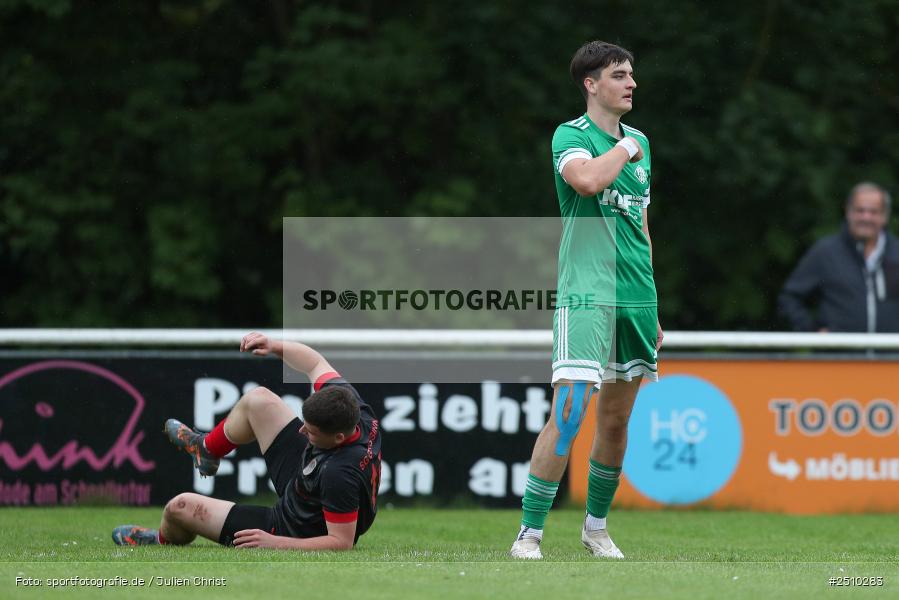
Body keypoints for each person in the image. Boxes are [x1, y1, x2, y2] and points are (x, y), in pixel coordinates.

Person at [510, 41, 662, 560]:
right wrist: (624, 150)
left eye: (632, 74)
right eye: (620, 75)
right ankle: (529, 534)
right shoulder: (572, 136)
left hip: (635, 297)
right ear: (591, 84)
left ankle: (595, 528)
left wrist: (654, 307)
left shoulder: (639, 141)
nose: (631, 83)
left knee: (616, 421)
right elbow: (589, 181)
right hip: (586, 293)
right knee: (572, 413)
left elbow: (640, 224)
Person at [112, 332, 382, 551]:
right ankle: (207, 449)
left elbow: (341, 542)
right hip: (308, 481)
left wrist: (275, 542)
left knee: (178, 507)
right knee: (259, 399)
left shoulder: (339, 473)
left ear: (338, 437)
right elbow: (314, 363)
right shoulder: (350, 406)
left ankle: (160, 540)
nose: (301, 432)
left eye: (310, 432)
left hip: (295, 527)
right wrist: (275, 345)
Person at [779, 182, 899, 332]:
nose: (866, 217)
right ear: (848, 212)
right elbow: (790, 297)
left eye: (873, 212)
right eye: (860, 210)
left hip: (891, 354)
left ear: (884, 216)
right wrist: (811, 331)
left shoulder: (896, 252)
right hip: (838, 354)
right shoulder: (826, 252)